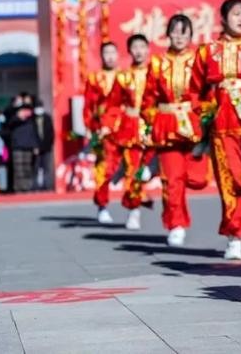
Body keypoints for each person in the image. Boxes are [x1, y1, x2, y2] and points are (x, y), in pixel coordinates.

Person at [189, 0, 241, 259]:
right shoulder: (208, 51)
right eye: (235, 14)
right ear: (222, 19)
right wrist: (206, 114)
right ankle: (234, 234)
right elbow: (195, 89)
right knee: (227, 182)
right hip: (223, 127)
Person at [141, 14, 208, 247]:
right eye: (175, 31)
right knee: (173, 180)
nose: (179, 37)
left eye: (184, 32)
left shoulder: (199, 59)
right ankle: (176, 224)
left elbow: (206, 92)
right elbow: (148, 98)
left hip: (193, 125)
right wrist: (152, 121)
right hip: (167, 125)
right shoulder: (157, 63)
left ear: (191, 35)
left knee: (198, 178)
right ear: (167, 34)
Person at [107, 34, 154, 230]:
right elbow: (113, 104)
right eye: (135, 47)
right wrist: (109, 125)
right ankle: (134, 211)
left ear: (148, 49)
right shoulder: (123, 77)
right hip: (131, 128)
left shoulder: (157, 71)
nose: (139, 51)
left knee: (153, 169)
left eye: (142, 46)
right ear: (129, 51)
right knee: (134, 171)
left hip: (155, 127)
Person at [84, 42, 121, 223]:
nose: (110, 56)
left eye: (113, 52)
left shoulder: (125, 76)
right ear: (101, 56)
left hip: (124, 128)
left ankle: (134, 207)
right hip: (102, 131)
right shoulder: (94, 79)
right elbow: (88, 107)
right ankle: (102, 205)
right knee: (103, 168)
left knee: (131, 166)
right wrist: (91, 129)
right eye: (106, 53)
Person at [7, 97, 38, 192]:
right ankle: (18, 188)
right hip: (17, 146)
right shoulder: (13, 117)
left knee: (27, 168)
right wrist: (18, 116)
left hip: (28, 146)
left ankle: (27, 187)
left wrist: (35, 146)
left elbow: (34, 133)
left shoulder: (31, 119)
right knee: (18, 168)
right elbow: (9, 124)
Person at [32, 98, 54, 191]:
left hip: (46, 147)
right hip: (36, 148)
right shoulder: (32, 119)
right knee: (36, 167)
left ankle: (47, 185)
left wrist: (48, 145)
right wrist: (34, 146)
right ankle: (35, 186)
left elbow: (51, 133)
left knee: (46, 168)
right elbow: (31, 134)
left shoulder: (47, 118)